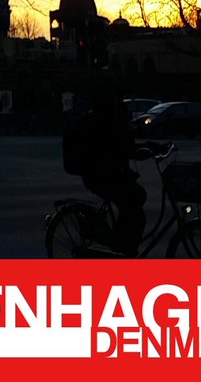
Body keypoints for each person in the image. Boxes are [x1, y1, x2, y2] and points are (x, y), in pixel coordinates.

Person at [62, 79, 150, 256]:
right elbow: (115, 148)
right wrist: (138, 152)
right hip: (101, 175)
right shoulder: (103, 120)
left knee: (136, 199)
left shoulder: (110, 118)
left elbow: (122, 146)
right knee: (133, 200)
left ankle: (123, 246)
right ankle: (121, 248)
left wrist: (145, 148)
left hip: (109, 172)